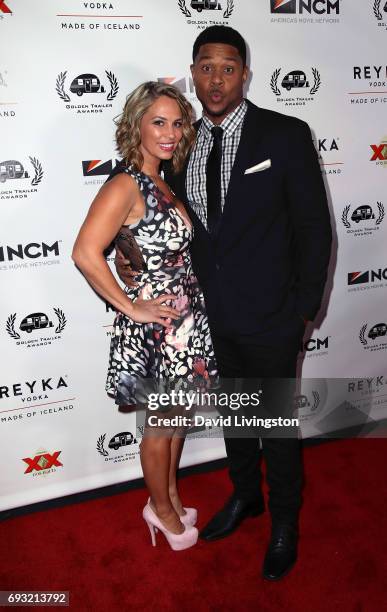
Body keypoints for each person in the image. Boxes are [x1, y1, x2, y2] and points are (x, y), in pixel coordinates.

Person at [117, 26, 332, 579]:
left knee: (278, 427)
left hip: (273, 318)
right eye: (206, 67)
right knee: (237, 418)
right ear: (193, 73)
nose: (216, 79)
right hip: (208, 320)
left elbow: (313, 228)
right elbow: (153, 213)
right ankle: (245, 496)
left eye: (228, 67)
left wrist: (303, 309)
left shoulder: (285, 134)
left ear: (245, 74)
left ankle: (285, 518)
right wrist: (126, 254)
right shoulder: (179, 145)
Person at [72, 81, 218, 551]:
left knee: (175, 420)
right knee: (160, 426)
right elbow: (85, 253)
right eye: (159, 121)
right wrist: (132, 305)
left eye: (177, 123)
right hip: (156, 328)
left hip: (182, 321)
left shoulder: (161, 180)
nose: (170, 132)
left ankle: (170, 497)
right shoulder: (125, 183)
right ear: (136, 124)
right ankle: (158, 511)